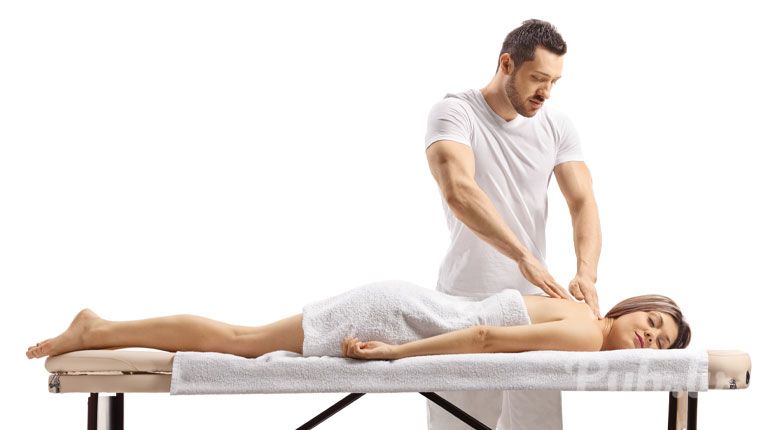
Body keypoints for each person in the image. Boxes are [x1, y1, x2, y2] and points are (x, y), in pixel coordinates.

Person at [423, 19, 602, 429]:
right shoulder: (455, 113)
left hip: (536, 309)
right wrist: (523, 256)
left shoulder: (557, 126)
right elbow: (459, 191)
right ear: (506, 64)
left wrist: (586, 272)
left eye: (554, 82)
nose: (546, 92)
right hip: (464, 302)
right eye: (538, 78)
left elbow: (582, 201)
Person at [26, 280, 690, 361]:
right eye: (653, 324)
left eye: (659, 345)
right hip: (403, 317)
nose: (649, 338)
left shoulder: (579, 310)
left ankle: (102, 327)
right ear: (633, 307)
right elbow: (486, 337)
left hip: (410, 310)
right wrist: (394, 354)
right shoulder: (585, 331)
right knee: (243, 341)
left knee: (244, 338)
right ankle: (99, 330)